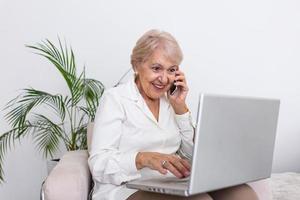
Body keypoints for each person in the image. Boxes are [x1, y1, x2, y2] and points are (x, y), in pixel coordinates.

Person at [88, 29, 259, 200]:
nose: (163, 79)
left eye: (171, 70)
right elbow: (98, 164)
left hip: (171, 183)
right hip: (127, 188)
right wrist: (142, 158)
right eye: (156, 68)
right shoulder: (115, 98)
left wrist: (180, 107)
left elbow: (192, 156)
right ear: (136, 65)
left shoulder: (170, 101)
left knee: (243, 194)